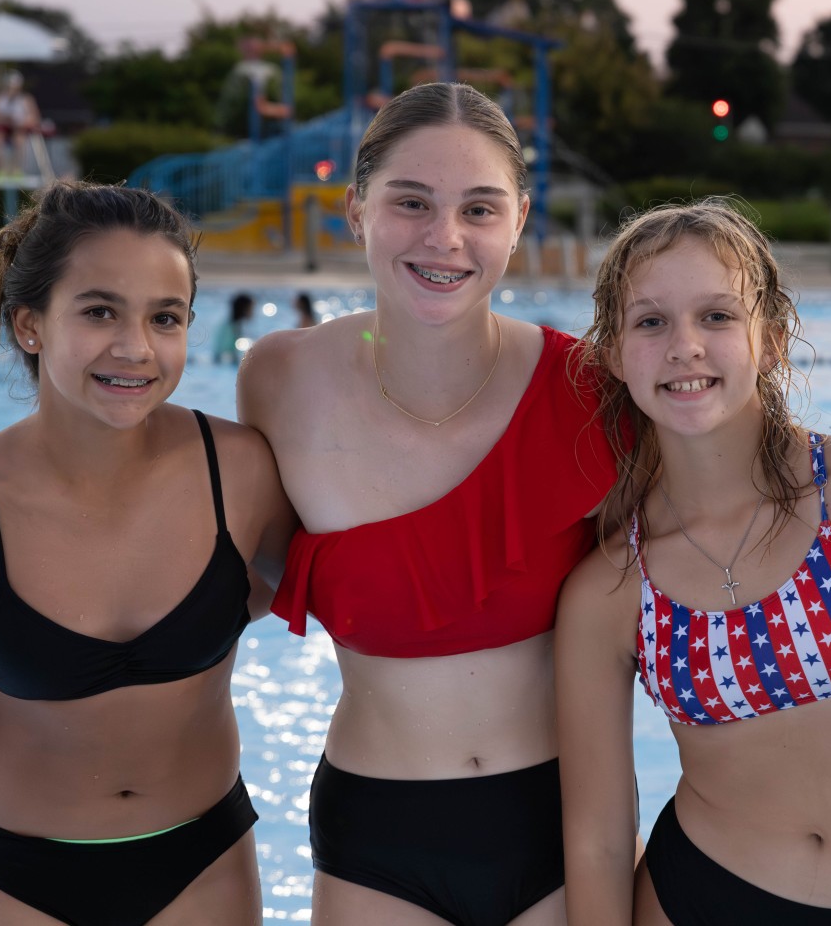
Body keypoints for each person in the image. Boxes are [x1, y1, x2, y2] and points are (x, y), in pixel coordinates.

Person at [238, 82, 620, 925]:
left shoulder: (592, 391)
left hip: (562, 825)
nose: (444, 238)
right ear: (355, 209)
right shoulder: (282, 380)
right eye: (410, 202)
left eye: (479, 209)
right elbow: (245, 586)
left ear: (519, 220)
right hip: (379, 835)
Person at [557, 199, 831, 926]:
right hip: (697, 899)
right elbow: (597, 836)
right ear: (614, 353)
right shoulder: (611, 586)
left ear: (772, 339)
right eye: (650, 322)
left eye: (717, 316)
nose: (685, 346)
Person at [0, 181, 295, 925]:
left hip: (202, 863)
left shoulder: (241, 473)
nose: (135, 348)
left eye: (164, 317)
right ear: (30, 325)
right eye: (100, 311)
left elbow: (321, 595)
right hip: (20, 878)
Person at [0, 70, 42, 176]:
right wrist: (4, 119)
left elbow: (34, 118)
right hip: (1, 129)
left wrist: (21, 122)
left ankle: (16, 170)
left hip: (19, 129)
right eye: (9, 87)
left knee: (19, 139)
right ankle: (0, 170)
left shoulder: (26, 99)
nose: (11, 90)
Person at [213, 291, 254, 364]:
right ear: (244, 309)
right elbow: (224, 353)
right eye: (251, 309)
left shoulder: (234, 325)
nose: (253, 312)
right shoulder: (230, 328)